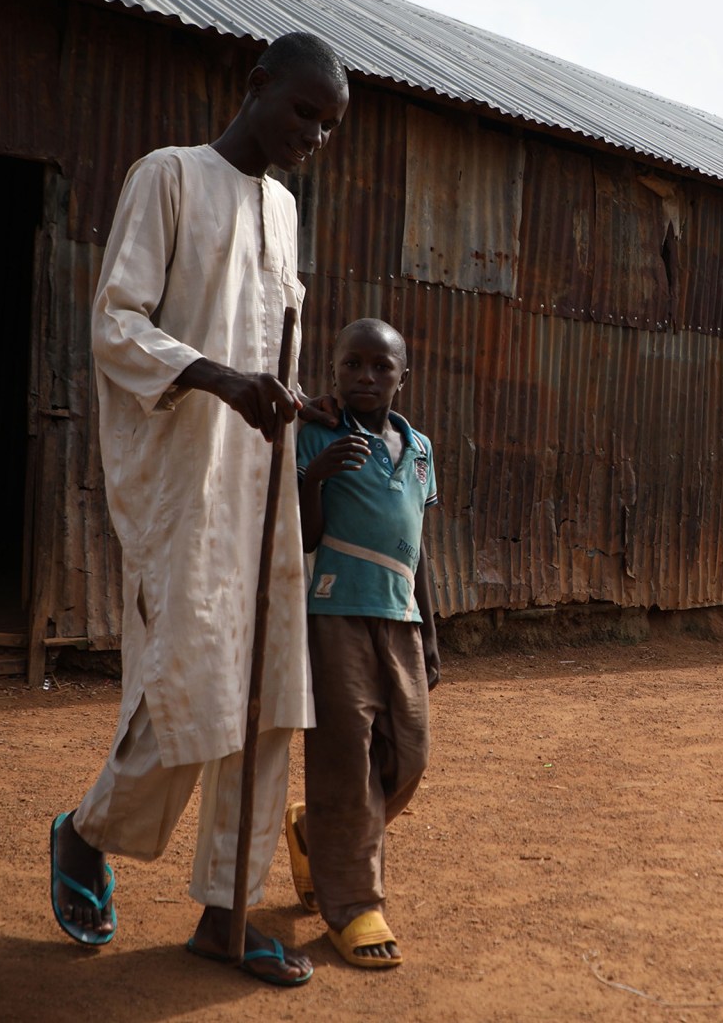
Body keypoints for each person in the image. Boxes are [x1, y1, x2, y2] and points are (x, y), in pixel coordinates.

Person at [47, 31, 349, 988]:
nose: (314, 135)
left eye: (329, 125)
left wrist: (292, 400)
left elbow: (272, 346)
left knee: (268, 702)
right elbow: (117, 322)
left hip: (264, 487)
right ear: (255, 87)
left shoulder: (286, 212)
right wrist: (217, 379)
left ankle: (225, 915)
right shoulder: (170, 177)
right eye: (304, 111)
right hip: (186, 485)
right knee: (187, 691)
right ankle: (88, 831)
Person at [285, 318, 442, 968]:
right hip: (335, 614)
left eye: (382, 367)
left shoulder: (421, 448)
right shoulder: (316, 433)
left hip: (401, 618)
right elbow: (303, 534)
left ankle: (314, 831)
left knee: (409, 756)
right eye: (353, 364)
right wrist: (313, 476)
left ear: (404, 378)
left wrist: (432, 632)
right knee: (346, 755)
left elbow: (417, 546)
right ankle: (352, 904)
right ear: (334, 373)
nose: (367, 377)